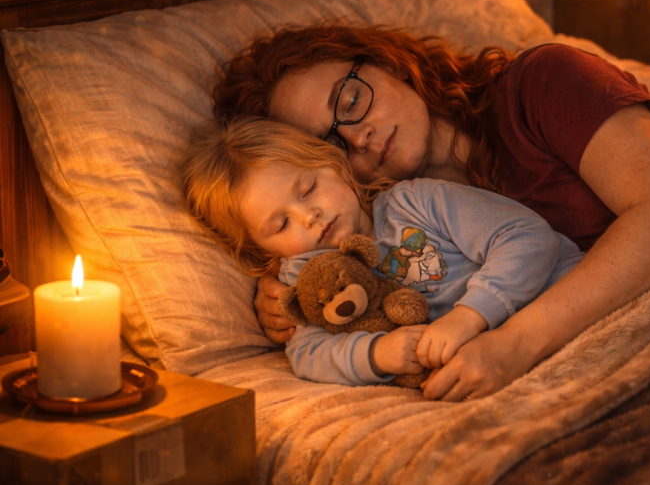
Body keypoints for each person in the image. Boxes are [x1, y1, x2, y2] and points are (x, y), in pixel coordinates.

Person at [212, 26, 650, 400]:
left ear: (387, 61)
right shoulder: (380, 235)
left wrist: (512, 345)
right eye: (328, 143)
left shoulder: (544, 81)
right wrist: (290, 293)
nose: (356, 134)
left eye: (349, 99)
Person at [179, 116, 583, 387]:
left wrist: (468, 316)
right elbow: (307, 352)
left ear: (334, 167)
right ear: (261, 249)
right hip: (506, 367)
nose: (309, 216)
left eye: (307, 190)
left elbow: (526, 237)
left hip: (571, 301)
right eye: (280, 224)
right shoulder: (307, 282)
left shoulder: (417, 202)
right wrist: (378, 354)